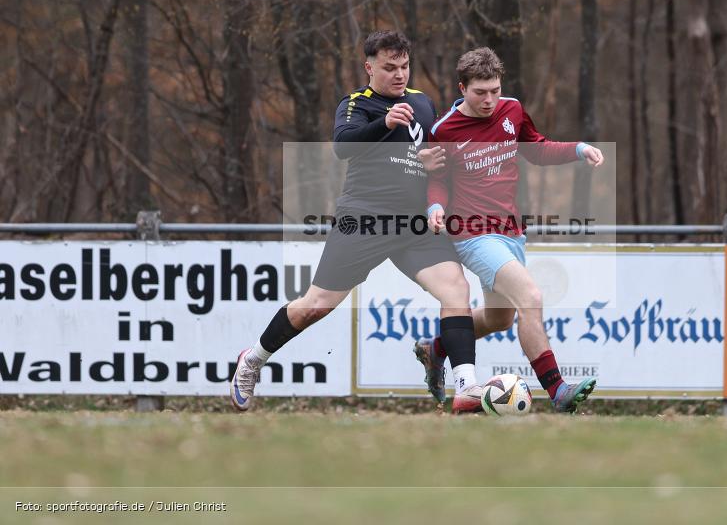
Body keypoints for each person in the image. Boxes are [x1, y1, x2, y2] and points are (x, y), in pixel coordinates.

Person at [231, 31, 482, 413]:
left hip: (414, 224)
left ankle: (469, 387)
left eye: (404, 66)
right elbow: (343, 145)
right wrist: (385, 124)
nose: (399, 75)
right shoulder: (357, 104)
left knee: (456, 291)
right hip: (365, 218)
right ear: (369, 67)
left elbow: (430, 158)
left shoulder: (421, 102)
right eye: (389, 68)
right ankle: (252, 360)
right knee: (315, 306)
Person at [416, 47, 604, 413]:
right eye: (479, 92)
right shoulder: (445, 129)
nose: (489, 100)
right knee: (530, 296)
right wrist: (435, 205)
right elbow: (436, 179)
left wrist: (578, 149)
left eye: (495, 91)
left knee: (500, 318)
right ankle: (558, 391)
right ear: (462, 88)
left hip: (511, 232)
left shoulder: (512, 110)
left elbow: (536, 149)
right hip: (473, 235)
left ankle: (435, 348)